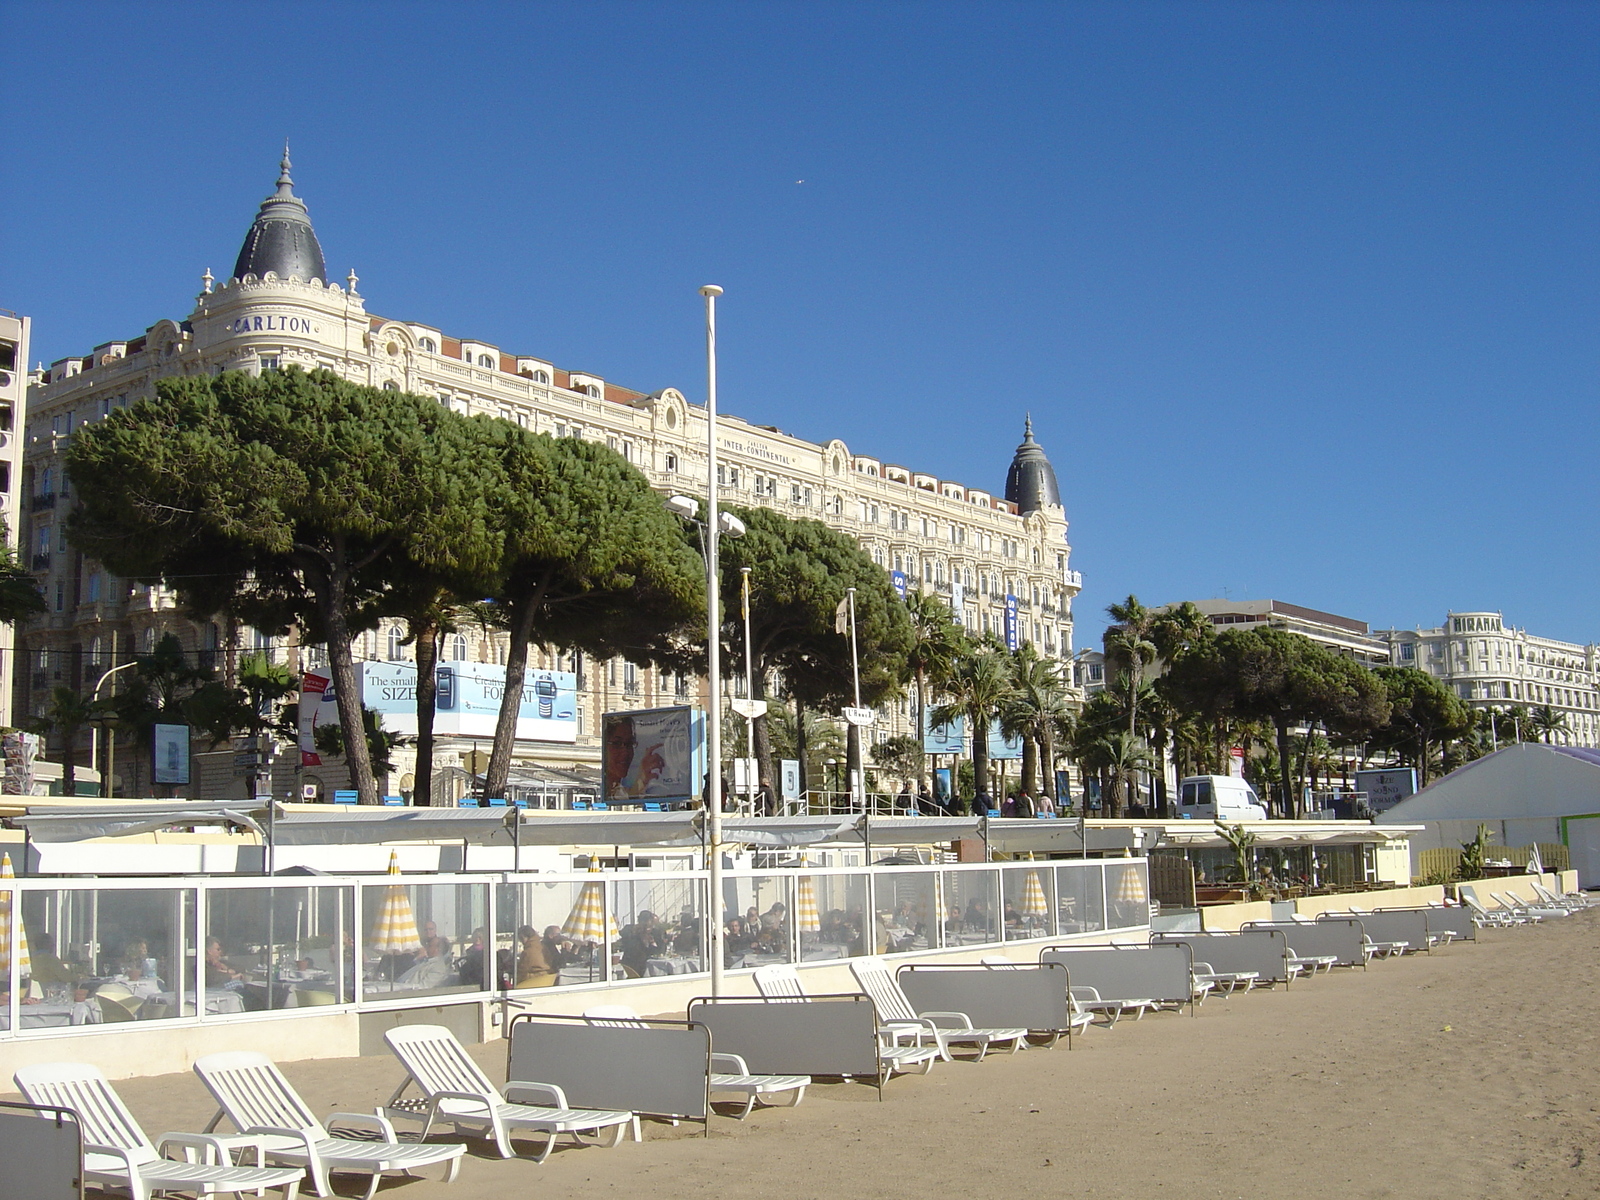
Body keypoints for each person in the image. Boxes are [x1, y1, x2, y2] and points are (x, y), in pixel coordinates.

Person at [617, 910, 667, 979]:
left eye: (650, 926)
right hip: (635, 967)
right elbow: (624, 944)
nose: (647, 929)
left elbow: (661, 951)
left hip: (650, 966)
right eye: (644, 924)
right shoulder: (630, 931)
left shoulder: (655, 933)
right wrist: (636, 934)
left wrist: (652, 943)